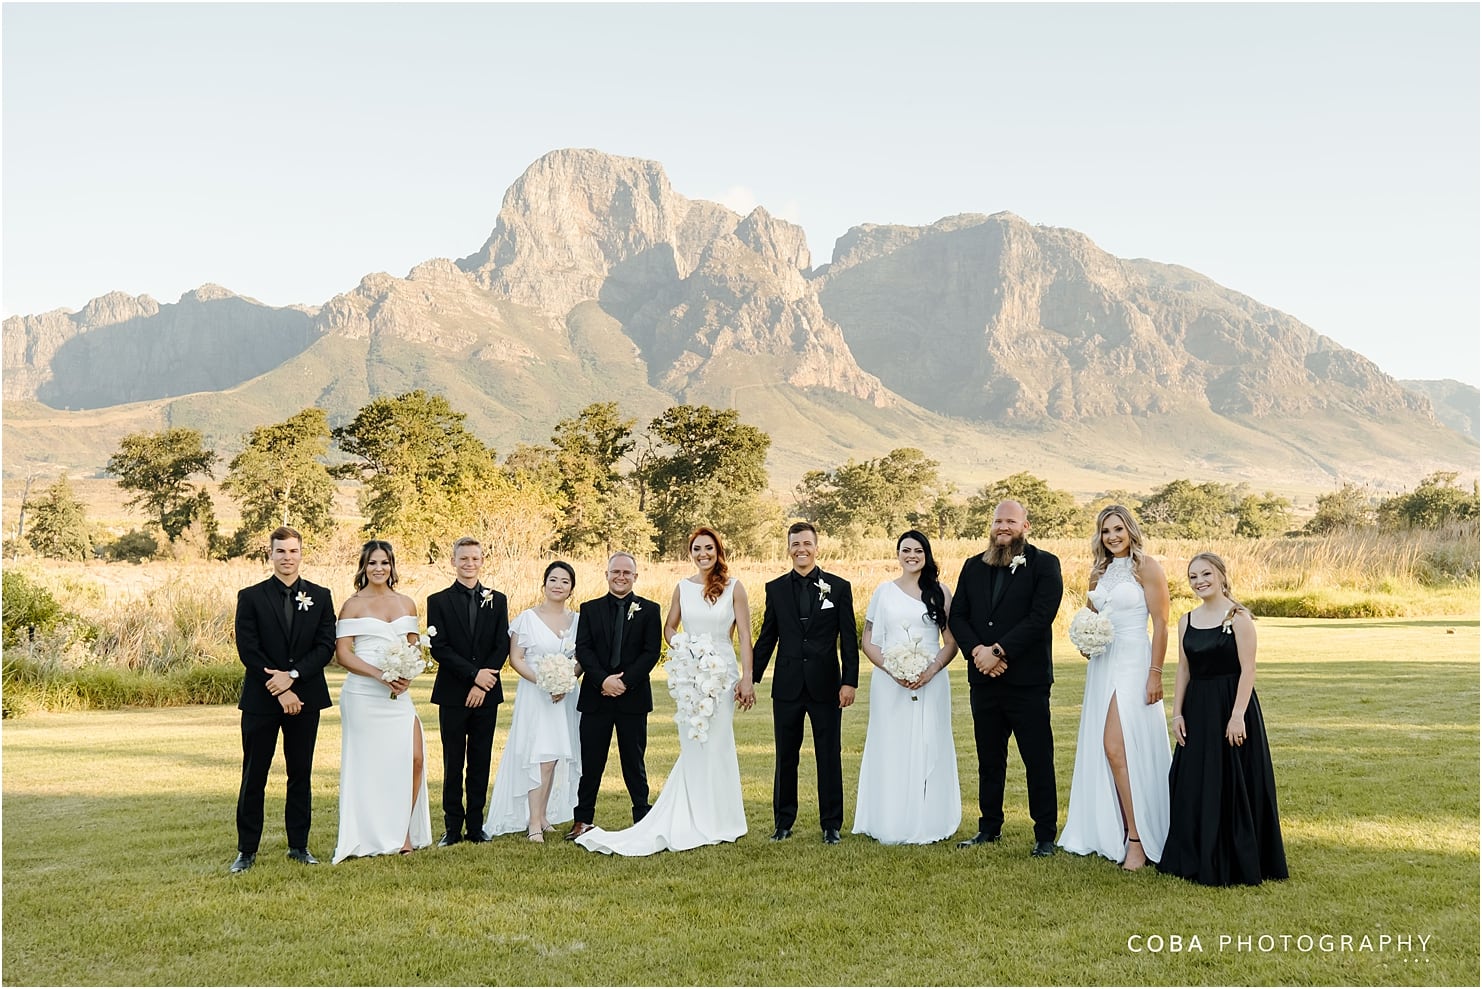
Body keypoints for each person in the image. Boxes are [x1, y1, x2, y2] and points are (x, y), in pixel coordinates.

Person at [577, 527, 753, 855]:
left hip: (722, 675)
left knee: (718, 744)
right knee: (694, 745)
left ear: (718, 551)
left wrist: (747, 678)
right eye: (697, 549)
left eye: (709, 548)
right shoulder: (682, 589)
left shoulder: (735, 588)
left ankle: (722, 819)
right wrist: (688, 647)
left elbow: (744, 635)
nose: (703, 554)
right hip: (691, 674)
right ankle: (695, 816)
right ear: (691, 553)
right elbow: (669, 629)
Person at [1159, 553, 1287, 886]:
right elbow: (1184, 670)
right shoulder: (1186, 619)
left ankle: (1236, 856)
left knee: (1233, 782)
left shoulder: (1239, 617)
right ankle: (1195, 854)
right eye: (1192, 576)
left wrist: (1237, 717)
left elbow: (1249, 670)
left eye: (1205, 574)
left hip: (1232, 708)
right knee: (1194, 783)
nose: (1199, 581)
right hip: (1197, 710)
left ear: (1220, 575)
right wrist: (1176, 714)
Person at [947, 499, 1064, 857]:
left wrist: (998, 651)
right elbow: (958, 617)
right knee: (989, 758)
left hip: (1026, 681)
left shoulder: (1045, 565)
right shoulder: (972, 566)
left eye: (1010, 521)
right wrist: (977, 652)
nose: (1003, 527)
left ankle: (1045, 834)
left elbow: (1041, 616)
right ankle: (989, 827)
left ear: (1025, 526)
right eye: (998, 520)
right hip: (984, 681)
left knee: (1037, 758)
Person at [1058, 506, 1172, 870]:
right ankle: (1115, 829)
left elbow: (1162, 624)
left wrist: (1155, 673)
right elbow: (1091, 616)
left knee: (1117, 747)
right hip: (1103, 664)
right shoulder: (1098, 572)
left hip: (1134, 662)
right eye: (1106, 530)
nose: (1112, 536)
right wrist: (1084, 640)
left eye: (1118, 528)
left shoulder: (1147, 567)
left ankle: (1138, 838)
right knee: (1110, 749)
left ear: (1130, 530)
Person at [230, 526, 337, 873]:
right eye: (280, 551)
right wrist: (278, 687)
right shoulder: (250, 596)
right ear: (270, 554)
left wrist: (292, 679)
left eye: (293, 551)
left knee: (300, 773)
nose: (287, 557)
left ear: (301, 554)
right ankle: (247, 850)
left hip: (305, 699)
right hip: (262, 700)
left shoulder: (321, 596)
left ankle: (299, 846)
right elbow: (248, 649)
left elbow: (325, 646)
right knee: (254, 774)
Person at [752, 521, 859, 845]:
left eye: (807, 543)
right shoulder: (775, 588)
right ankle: (783, 822)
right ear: (788, 548)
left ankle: (831, 825)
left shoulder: (838, 587)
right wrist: (749, 678)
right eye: (795, 544)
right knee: (786, 756)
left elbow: (849, 641)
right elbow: (768, 637)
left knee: (829, 755)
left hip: (826, 685)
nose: (801, 549)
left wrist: (849, 682)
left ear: (817, 547)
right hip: (786, 686)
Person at [853, 530, 961, 845]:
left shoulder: (940, 592)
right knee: (892, 745)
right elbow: (868, 640)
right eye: (905, 550)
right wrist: (892, 669)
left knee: (930, 743)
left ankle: (929, 816)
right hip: (889, 683)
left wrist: (930, 670)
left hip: (932, 681)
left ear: (926, 554)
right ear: (898, 554)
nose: (911, 555)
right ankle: (890, 817)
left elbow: (951, 642)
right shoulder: (883, 592)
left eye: (917, 550)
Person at [331, 539, 433, 862]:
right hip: (363, 695)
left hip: (398, 695)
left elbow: (414, 648)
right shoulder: (352, 605)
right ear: (364, 566)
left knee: (415, 758)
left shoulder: (407, 603)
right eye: (373, 563)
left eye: (385, 563)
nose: (379, 568)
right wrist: (379, 674)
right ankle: (371, 835)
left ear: (392, 566)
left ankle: (402, 830)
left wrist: (407, 673)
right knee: (370, 768)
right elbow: (343, 654)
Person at [485, 561, 583, 842]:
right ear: (544, 584)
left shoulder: (577, 621)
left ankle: (541, 815)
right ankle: (533, 823)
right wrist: (545, 682)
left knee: (553, 757)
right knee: (540, 756)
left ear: (571, 588)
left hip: (563, 695)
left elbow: (580, 659)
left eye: (565, 581)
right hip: (535, 694)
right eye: (553, 579)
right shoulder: (526, 618)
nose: (558, 585)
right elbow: (515, 658)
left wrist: (565, 681)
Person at [566, 552, 662, 839]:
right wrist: (604, 680)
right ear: (606, 574)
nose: (621, 577)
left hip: (633, 698)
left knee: (634, 760)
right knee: (591, 761)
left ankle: (642, 818)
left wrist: (625, 682)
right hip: (597, 697)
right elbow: (584, 649)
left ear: (635, 576)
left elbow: (651, 652)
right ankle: (582, 820)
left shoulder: (650, 609)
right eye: (615, 572)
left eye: (626, 573)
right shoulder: (590, 609)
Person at [426, 537, 510, 846]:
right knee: (452, 761)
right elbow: (440, 648)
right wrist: (474, 676)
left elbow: (502, 643)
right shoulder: (438, 601)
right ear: (453, 561)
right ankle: (452, 828)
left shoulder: (497, 600)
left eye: (475, 558)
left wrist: (483, 682)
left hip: (487, 694)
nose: (469, 563)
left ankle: (476, 826)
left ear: (482, 560)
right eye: (463, 558)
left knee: (480, 760)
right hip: (453, 693)